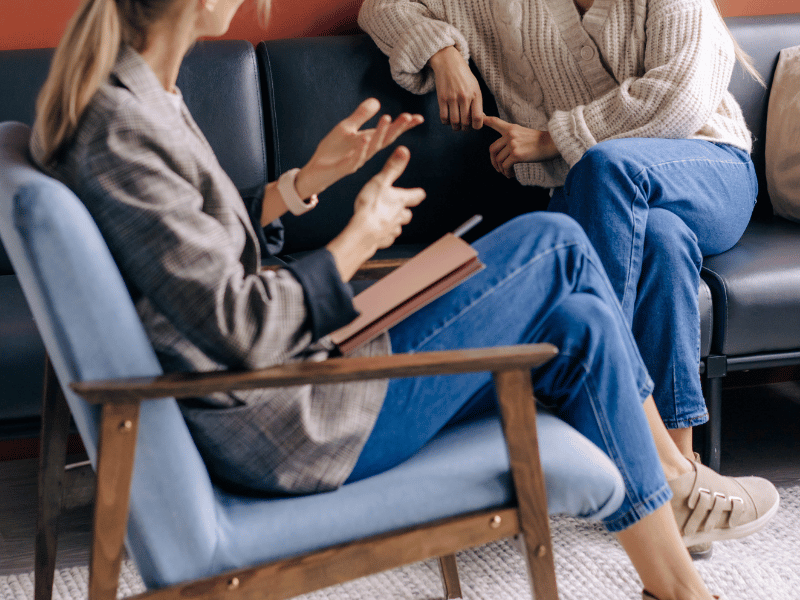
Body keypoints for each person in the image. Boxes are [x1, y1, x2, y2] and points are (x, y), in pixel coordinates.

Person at [30, 0, 777, 599]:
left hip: (298, 380)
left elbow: (199, 246)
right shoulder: (120, 126)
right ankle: (675, 479)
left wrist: (305, 183)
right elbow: (240, 327)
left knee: (580, 314)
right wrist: (357, 240)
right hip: (294, 417)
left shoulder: (142, 98)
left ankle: (676, 586)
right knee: (556, 244)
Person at [358, 0, 775, 559]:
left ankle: (623, 436)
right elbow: (382, 5)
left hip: (707, 168)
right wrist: (443, 51)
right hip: (610, 199)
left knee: (606, 167)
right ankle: (678, 473)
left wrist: (555, 138)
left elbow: (679, 98)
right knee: (661, 239)